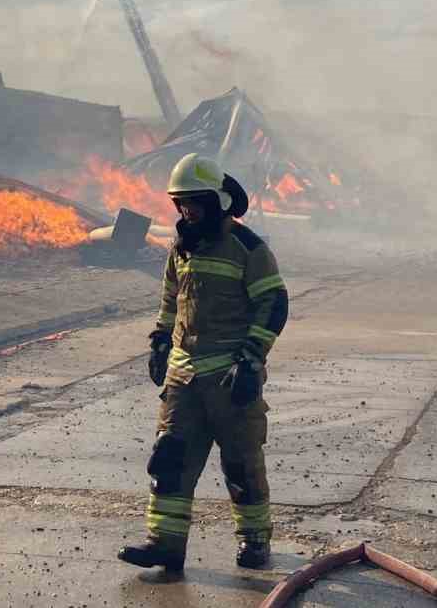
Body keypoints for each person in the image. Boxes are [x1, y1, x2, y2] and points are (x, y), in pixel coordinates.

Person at [118, 153, 288, 576]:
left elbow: (273, 304)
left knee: (240, 463)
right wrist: (160, 341)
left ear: (216, 201)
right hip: (183, 375)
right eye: (180, 203)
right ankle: (165, 544)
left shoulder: (249, 248)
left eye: (193, 202)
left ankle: (254, 540)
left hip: (230, 376)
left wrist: (250, 360)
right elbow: (171, 302)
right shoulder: (182, 247)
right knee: (169, 458)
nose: (185, 211)